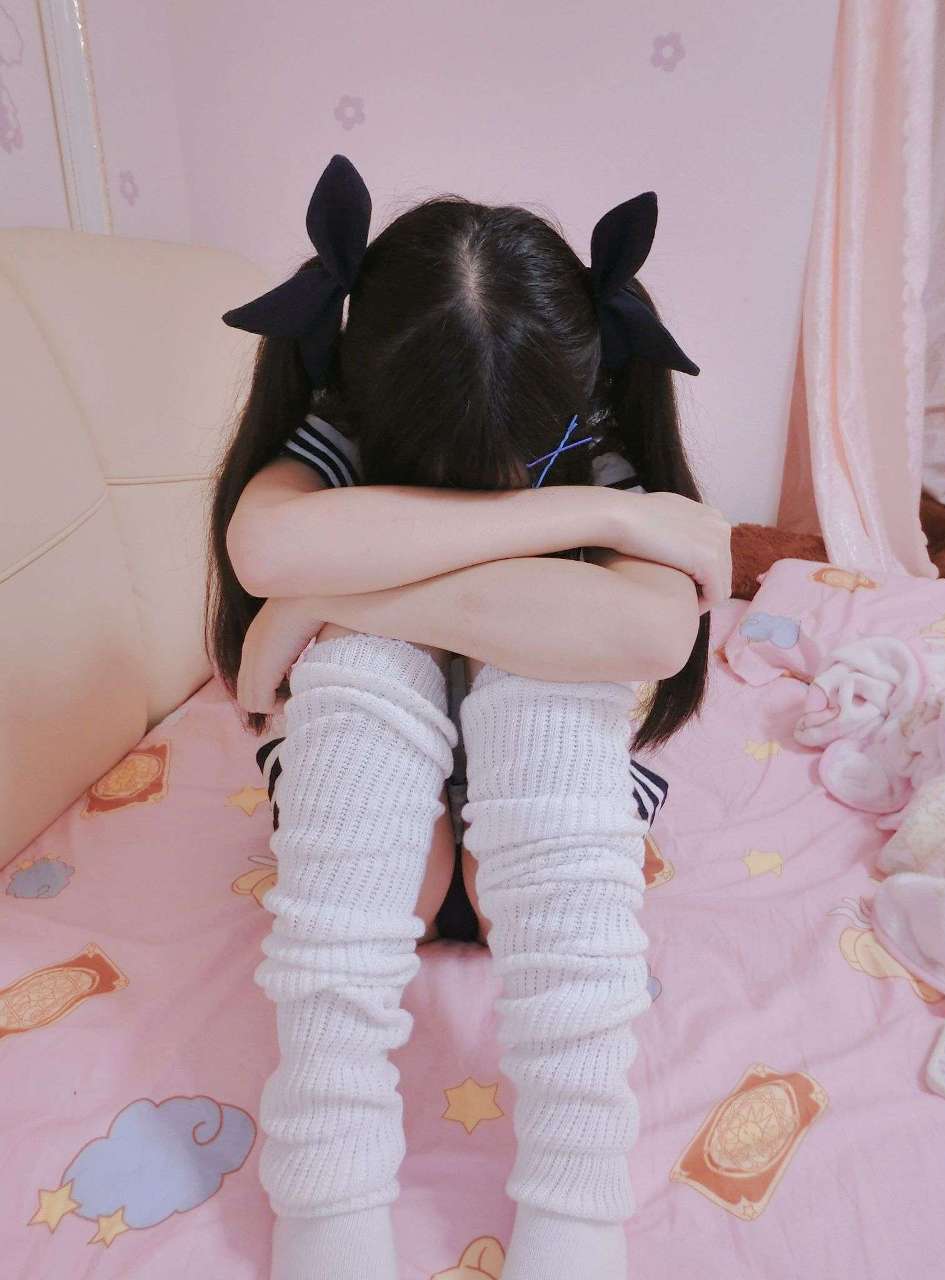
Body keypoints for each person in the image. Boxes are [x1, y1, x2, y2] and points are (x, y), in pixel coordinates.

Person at [204, 155, 731, 1280]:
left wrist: (328, 599)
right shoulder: (344, 437)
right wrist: (582, 523)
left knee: (546, 685)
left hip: (547, 863)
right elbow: (266, 546)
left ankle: (577, 1196)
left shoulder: (589, 447)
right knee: (371, 673)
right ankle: (329, 1183)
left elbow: (654, 636)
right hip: (364, 859)